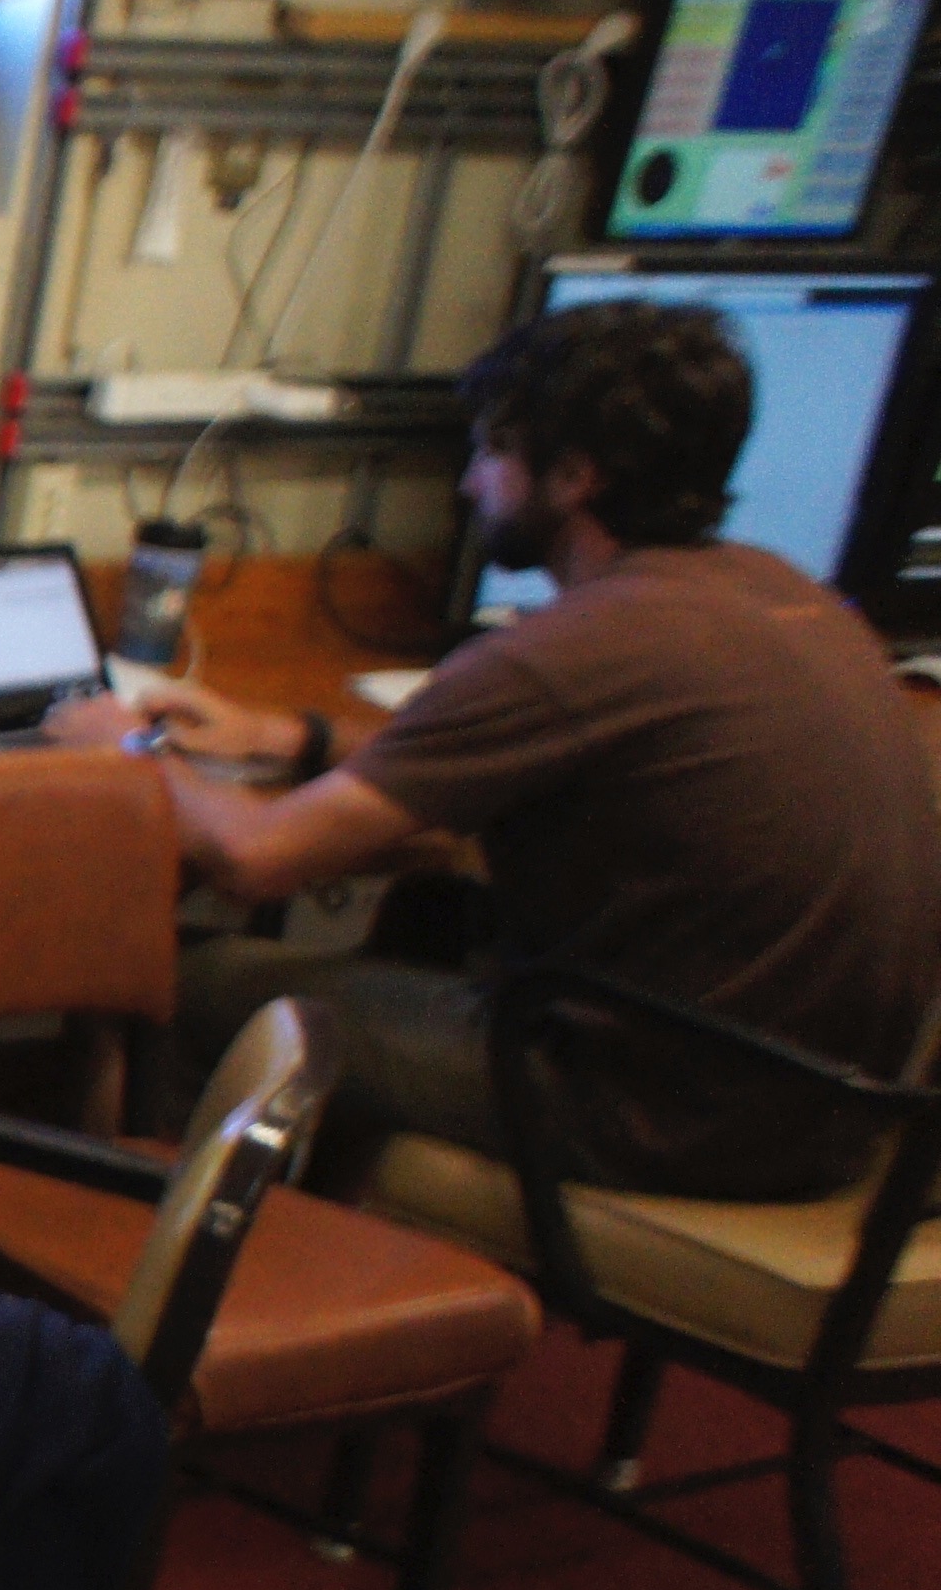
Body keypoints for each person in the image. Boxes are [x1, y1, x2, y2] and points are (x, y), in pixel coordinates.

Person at [51, 298, 941, 1197]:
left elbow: (256, 857)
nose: (471, 483)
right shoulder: (789, 601)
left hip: (658, 1120)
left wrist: (127, 747)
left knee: (193, 986)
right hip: (835, 1120)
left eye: (493, 452)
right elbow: (484, 765)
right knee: (428, 914)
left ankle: (173, 1300)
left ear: (574, 478)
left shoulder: (578, 646)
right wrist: (295, 735)